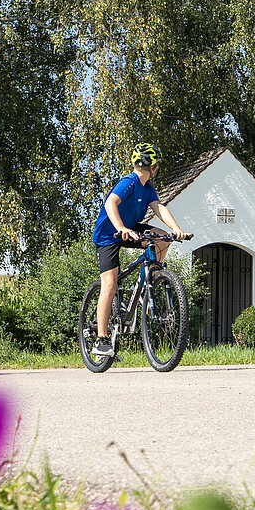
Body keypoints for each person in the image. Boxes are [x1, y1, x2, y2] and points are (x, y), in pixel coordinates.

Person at [90, 144, 188, 361]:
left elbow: (159, 208)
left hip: (131, 229)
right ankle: (102, 339)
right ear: (153, 166)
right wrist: (121, 228)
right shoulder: (129, 182)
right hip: (108, 236)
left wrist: (176, 229)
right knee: (110, 284)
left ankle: (150, 280)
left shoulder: (147, 187)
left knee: (161, 239)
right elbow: (110, 203)